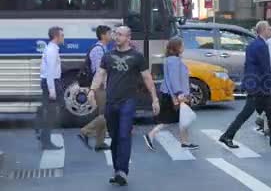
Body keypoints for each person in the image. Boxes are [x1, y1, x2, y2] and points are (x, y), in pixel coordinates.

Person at [89, 26, 160, 186]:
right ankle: (117, 171)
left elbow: (147, 78)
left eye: (120, 35)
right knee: (115, 137)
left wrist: (154, 98)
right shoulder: (108, 56)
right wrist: (92, 90)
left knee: (124, 135)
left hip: (128, 101)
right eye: (116, 34)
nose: (117, 37)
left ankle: (122, 171)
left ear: (128, 38)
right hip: (111, 102)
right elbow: (100, 74)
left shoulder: (137, 56)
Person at [219, 21, 271, 149]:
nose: (270, 31)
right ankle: (227, 136)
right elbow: (265, 68)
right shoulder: (262, 45)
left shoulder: (254, 44)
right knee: (246, 113)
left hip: (256, 85)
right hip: (258, 87)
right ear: (263, 30)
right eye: (269, 29)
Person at [144, 37, 198, 151]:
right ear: (177, 47)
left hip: (175, 93)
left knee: (183, 118)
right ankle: (151, 135)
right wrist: (179, 94)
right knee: (169, 120)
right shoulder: (174, 60)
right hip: (176, 95)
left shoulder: (171, 59)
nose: (183, 47)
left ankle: (185, 142)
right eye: (182, 45)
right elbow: (173, 79)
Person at [79, 25, 112, 151]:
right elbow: (100, 70)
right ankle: (85, 131)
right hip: (101, 86)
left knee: (103, 114)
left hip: (102, 85)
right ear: (103, 35)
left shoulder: (103, 48)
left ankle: (99, 142)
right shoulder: (98, 49)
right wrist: (104, 84)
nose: (111, 36)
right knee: (106, 115)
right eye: (109, 33)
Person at [38, 26, 65, 150]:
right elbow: (49, 72)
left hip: (52, 82)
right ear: (56, 36)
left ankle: (42, 134)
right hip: (52, 82)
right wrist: (52, 90)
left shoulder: (53, 49)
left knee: (50, 111)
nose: (63, 38)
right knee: (51, 113)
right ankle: (45, 140)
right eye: (62, 35)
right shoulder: (52, 51)